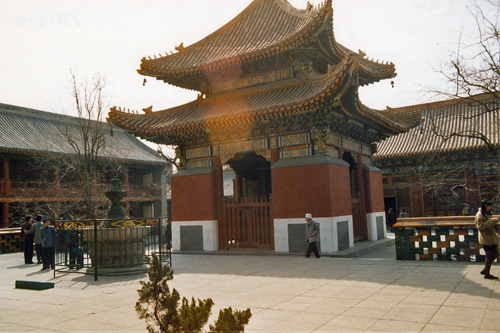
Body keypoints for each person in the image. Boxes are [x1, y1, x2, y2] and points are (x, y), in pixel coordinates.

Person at [475, 200, 499, 280]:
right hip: (485, 238)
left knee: (495, 254)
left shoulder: (487, 213)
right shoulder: (480, 214)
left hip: (491, 237)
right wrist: (492, 221)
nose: (489, 207)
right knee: (489, 256)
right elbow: (480, 226)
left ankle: (485, 270)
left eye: (489, 206)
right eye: (487, 206)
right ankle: (487, 273)